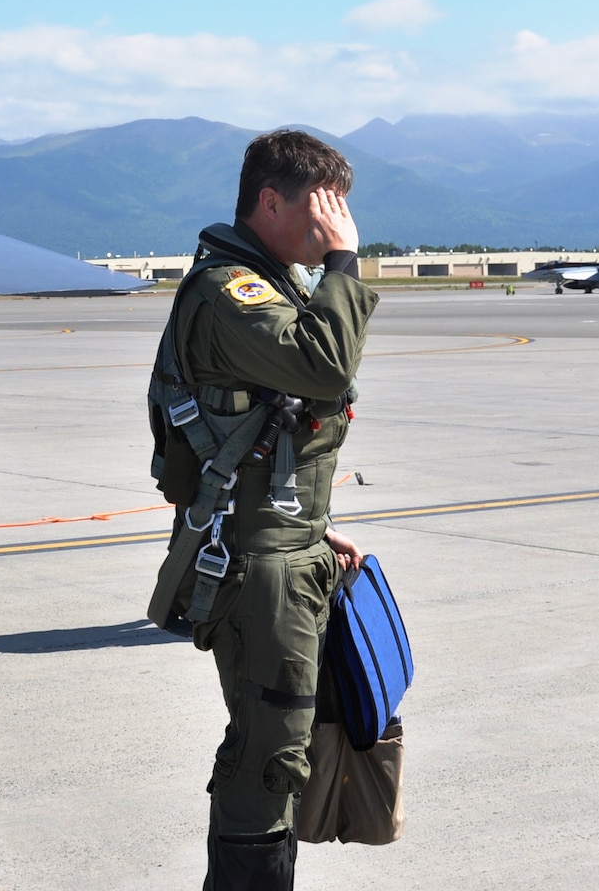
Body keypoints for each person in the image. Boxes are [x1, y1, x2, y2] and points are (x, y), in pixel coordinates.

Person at [145, 129, 377, 891]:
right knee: (270, 756)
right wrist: (345, 262)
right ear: (269, 202)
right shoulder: (229, 291)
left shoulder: (275, 283)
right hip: (260, 569)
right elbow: (323, 364)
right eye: (324, 209)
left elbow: (276, 432)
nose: (335, 224)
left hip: (288, 546)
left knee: (291, 741)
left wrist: (312, 522)